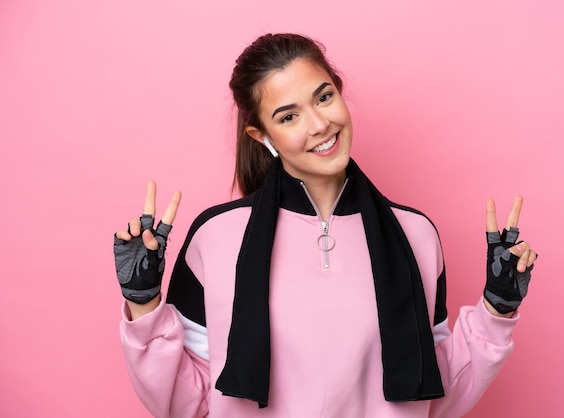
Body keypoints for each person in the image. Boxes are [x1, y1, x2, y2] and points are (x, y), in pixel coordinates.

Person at [113, 33, 537, 418]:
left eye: (323, 97)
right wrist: (144, 303)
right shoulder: (215, 237)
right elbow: (192, 401)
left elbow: (433, 391)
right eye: (288, 116)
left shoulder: (417, 236)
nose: (319, 125)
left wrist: (496, 310)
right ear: (262, 137)